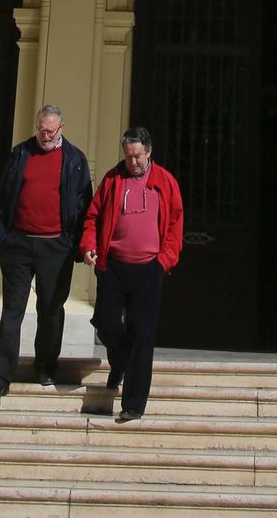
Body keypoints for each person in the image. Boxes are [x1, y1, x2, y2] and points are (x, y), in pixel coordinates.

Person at [0, 103, 93, 403]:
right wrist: (1, 234)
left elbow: (85, 203)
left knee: (50, 309)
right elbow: (2, 194)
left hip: (55, 247)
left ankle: (45, 366)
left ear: (62, 128)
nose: (45, 136)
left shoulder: (74, 159)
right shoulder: (20, 153)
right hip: (18, 244)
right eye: (41, 130)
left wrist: (76, 244)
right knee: (12, 311)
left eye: (51, 131)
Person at [80, 125, 184, 422]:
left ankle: (134, 404)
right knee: (106, 322)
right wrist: (89, 245)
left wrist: (163, 261)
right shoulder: (113, 179)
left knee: (142, 334)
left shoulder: (165, 182)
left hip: (149, 267)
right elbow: (93, 217)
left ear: (149, 153)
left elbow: (175, 225)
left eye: (138, 156)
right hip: (113, 264)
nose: (133, 161)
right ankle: (121, 361)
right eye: (128, 156)